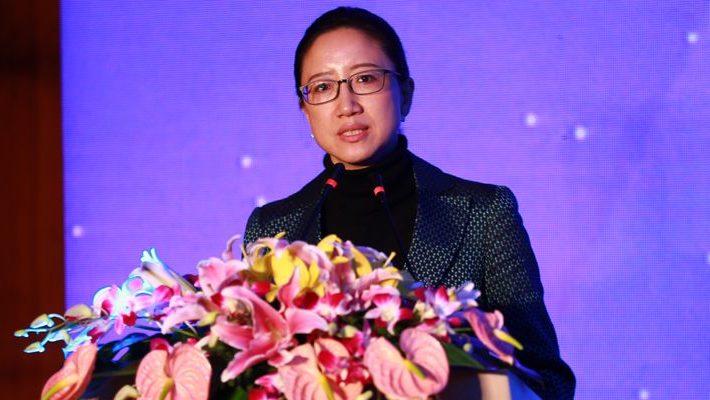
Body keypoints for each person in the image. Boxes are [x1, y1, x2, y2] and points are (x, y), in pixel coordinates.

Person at [244, 7, 576, 399]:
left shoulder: (484, 213)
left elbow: (547, 381)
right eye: (321, 87)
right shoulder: (274, 229)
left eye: (365, 78)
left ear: (405, 94)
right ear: (306, 110)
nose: (346, 105)